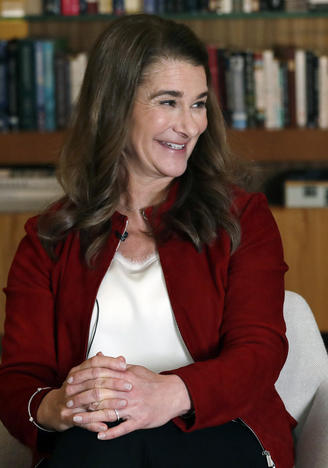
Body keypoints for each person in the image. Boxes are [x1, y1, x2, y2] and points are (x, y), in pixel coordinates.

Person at [0, 14, 294, 468]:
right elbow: (20, 380)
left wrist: (169, 394)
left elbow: (259, 352)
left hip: (221, 431)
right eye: (168, 102)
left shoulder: (243, 218)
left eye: (198, 104)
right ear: (114, 106)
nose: (190, 125)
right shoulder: (48, 238)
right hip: (95, 441)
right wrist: (59, 405)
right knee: (101, 447)